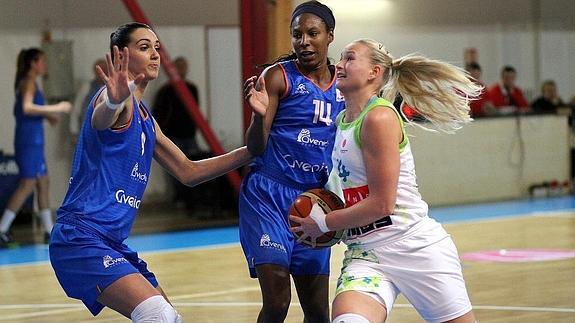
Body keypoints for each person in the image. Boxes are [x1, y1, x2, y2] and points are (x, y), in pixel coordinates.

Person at [49, 22, 256, 322]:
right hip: (80, 238)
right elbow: (100, 119)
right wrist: (113, 100)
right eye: (144, 47)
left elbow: (188, 171)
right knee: (157, 314)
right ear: (121, 55)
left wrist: (251, 151)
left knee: (170, 318)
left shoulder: (146, 119)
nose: (155, 54)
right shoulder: (114, 102)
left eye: (157, 47)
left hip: (110, 242)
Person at [283, 39, 481, 322]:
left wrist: (324, 223)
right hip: (366, 253)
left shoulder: (378, 117)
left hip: (413, 245)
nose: (338, 64)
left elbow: (382, 204)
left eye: (349, 58)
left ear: (374, 72)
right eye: (340, 58)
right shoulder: (341, 122)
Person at [241, 1, 344, 322]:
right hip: (268, 197)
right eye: (297, 34)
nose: (304, 41)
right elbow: (255, 147)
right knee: (277, 302)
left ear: (329, 35)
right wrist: (258, 119)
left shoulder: (344, 83)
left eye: (313, 33)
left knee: (318, 314)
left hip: (313, 200)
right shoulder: (277, 77)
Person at [0, 48, 72, 248]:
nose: (45, 65)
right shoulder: (28, 82)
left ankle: (49, 231)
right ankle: (2, 229)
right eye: (42, 61)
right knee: (27, 184)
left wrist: (47, 116)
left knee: (43, 182)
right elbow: (27, 108)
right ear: (33, 62)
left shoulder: (29, 82)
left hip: (34, 140)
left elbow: (28, 111)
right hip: (28, 141)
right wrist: (56, 108)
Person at [152, 56, 201, 209]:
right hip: (172, 135)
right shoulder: (165, 91)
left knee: (194, 167)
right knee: (175, 171)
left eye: (183, 66)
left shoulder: (192, 88)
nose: (181, 70)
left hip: (189, 134)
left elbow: (195, 110)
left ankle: (194, 199)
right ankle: (180, 197)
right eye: (178, 67)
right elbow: (158, 113)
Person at [69, 58, 107, 145]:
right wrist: (73, 132)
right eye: (99, 70)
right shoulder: (86, 88)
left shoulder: (115, 89)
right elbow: (76, 110)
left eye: (105, 69)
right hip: (88, 134)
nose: (102, 73)